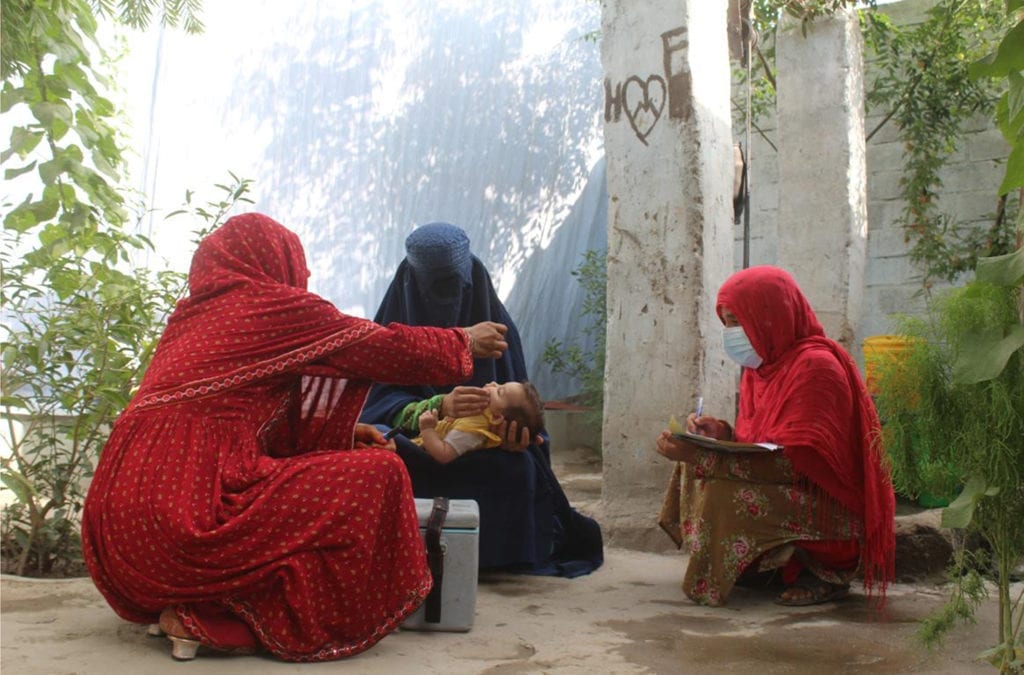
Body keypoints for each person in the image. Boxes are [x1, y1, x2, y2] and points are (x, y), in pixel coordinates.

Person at [81, 213, 514, 662]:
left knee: (349, 466)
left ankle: (196, 603)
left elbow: (238, 412)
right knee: (378, 472)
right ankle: (220, 616)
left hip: (118, 540)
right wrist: (461, 340)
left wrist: (344, 432)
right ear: (278, 261)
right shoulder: (269, 305)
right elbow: (378, 347)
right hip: (186, 519)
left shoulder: (191, 317)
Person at [361, 222, 603, 577]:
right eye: (433, 289)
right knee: (375, 452)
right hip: (417, 446)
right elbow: (371, 404)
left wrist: (517, 436)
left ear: (471, 279)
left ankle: (497, 557)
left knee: (521, 469)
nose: (445, 300)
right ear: (411, 284)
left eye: (454, 287)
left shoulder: (497, 329)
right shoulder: (391, 332)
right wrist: (436, 406)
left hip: (477, 453)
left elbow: (525, 406)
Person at [655, 265, 895, 607]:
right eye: (727, 323)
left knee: (720, 485)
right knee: (695, 468)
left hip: (829, 504)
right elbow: (763, 443)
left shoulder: (816, 367)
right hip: (785, 483)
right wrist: (720, 433)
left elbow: (795, 464)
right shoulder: (763, 368)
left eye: (739, 321)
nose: (732, 333)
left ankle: (826, 570)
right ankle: (761, 565)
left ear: (771, 315)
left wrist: (703, 454)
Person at [415, 381, 545, 465]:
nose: (493, 383)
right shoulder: (474, 415)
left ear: (496, 417)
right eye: (500, 384)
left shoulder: (472, 430)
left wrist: (427, 429)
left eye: (499, 391)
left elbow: (443, 454)